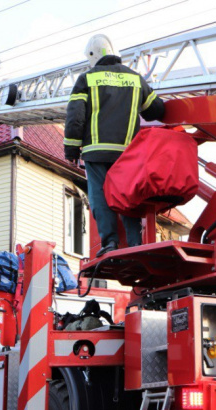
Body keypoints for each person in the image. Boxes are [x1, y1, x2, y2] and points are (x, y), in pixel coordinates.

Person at [64, 34, 166, 257]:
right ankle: (135, 243)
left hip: (96, 152)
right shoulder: (135, 79)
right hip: (127, 155)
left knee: (100, 197)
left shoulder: (86, 79)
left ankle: (109, 243)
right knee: (126, 196)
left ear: (92, 56)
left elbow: (75, 117)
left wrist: (71, 149)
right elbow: (157, 110)